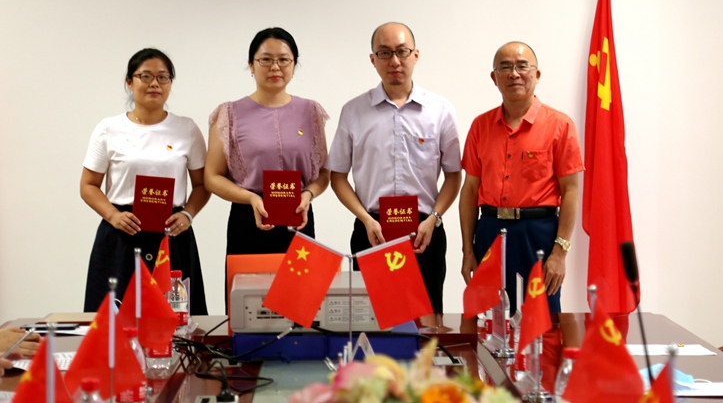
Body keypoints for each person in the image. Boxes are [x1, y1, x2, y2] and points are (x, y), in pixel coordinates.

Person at [327, 22, 462, 325]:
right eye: (385, 53)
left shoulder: (440, 110)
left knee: (427, 329)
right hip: (372, 231)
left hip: (424, 232)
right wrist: (365, 219)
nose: (395, 61)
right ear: (373, 59)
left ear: (416, 55)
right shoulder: (353, 111)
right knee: (374, 325)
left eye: (402, 52)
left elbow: (454, 175)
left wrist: (434, 218)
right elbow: (337, 176)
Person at [205, 27, 329, 305]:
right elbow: (212, 177)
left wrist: (308, 195)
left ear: (294, 64)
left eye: (284, 59)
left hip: (298, 217)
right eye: (266, 59)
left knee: (301, 306)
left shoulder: (310, 112)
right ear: (251, 65)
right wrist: (251, 198)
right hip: (249, 219)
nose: (275, 67)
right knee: (248, 309)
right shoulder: (229, 113)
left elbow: (323, 173)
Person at [81, 48, 210, 315]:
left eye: (163, 77)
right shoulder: (108, 129)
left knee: (175, 318)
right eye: (146, 76)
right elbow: (88, 185)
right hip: (122, 233)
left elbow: (202, 185)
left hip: (171, 235)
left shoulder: (187, 129)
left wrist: (187, 214)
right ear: (129, 82)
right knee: (116, 319)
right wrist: (113, 216)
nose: (155, 84)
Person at [459, 41, 583, 313]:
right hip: (489, 231)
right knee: (489, 319)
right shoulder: (480, 126)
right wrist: (468, 250)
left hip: (538, 235)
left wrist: (560, 253)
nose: (514, 73)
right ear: (494, 77)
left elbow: (571, 191)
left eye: (522, 66)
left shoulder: (560, 125)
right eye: (505, 67)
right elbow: (469, 190)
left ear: (536, 74)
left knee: (541, 320)